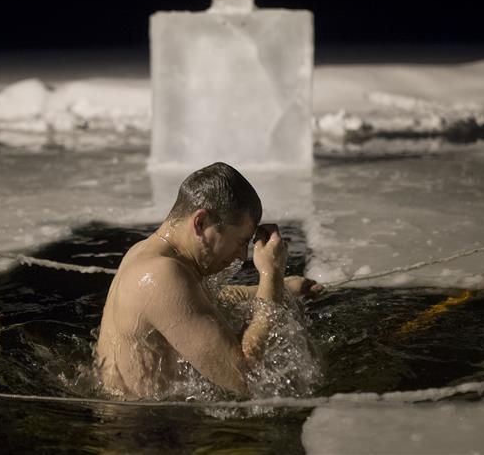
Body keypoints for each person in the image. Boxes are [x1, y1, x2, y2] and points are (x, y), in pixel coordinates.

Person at [95, 162, 319, 399]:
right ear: (200, 223)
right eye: (241, 241)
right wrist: (270, 274)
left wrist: (277, 289)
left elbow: (198, 302)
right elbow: (247, 378)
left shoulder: (146, 254)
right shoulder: (160, 275)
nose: (242, 256)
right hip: (146, 428)